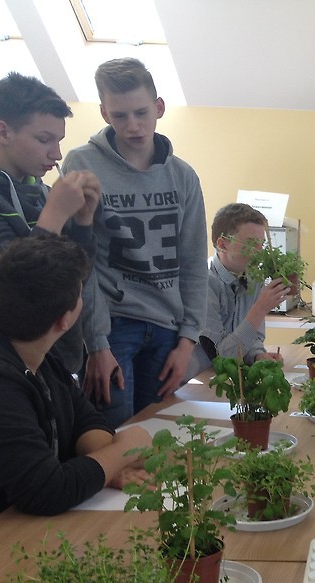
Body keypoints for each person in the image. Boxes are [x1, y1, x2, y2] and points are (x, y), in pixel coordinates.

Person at [0, 236, 150, 535]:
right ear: (65, 320)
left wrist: (108, 467)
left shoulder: (27, 340)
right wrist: (124, 451)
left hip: (25, 528)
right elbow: (46, 491)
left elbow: (83, 417)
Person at [62, 58, 207, 427]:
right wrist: (96, 342)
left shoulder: (183, 176)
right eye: (120, 115)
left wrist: (187, 341)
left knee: (156, 435)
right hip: (112, 326)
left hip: (167, 328)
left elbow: (194, 262)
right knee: (113, 436)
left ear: (159, 107)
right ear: (104, 113)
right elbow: (79, 261)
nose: (133, 126)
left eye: (141, 113)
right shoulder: (82, 164)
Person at [0, 72, 102, 373]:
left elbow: (73, 281)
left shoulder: (40, 191)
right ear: (4, 132)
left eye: (59, 141)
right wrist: (54, 216)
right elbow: (17, 290)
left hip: (58, 363)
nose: (56, 154)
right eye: (44, 140)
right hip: (0, 366)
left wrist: (83, 222)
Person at [187, 202, 290, 377]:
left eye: (261, 244)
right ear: (222, 244)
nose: (260, 253)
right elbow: (222, 358)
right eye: (251, 244)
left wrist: (258, 355)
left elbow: (253, 337)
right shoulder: (202, 283)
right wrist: (260, 309)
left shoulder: (252, 278)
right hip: (200, 379)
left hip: (233, 377)